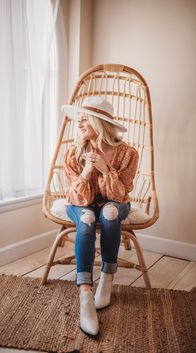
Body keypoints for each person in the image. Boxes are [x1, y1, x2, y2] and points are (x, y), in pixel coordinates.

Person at [61, 96, 139, 336]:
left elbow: (120, 194)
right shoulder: (74, 152)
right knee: (86, 217)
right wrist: (86, 172)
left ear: (99, 122)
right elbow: (76, 198)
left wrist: (106, 169)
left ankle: (106, 277)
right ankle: (85, 294)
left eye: (85, 119)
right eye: (79, 119)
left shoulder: (127, 153)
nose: (80, 124)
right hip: (80, 203)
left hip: (114, 203)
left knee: (110, 210)